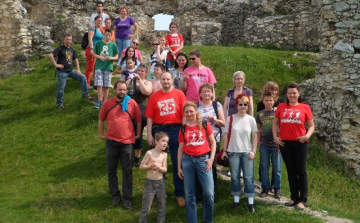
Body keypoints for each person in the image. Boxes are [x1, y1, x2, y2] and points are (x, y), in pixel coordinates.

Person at [145, 72, 187, 207]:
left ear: (172, 80)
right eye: (163, 79)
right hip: (160, 129)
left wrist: (184, 130)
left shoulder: (179, 94)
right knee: (157, 162)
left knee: (177, 162)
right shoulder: (154, 96)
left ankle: (179, 193)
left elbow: (184, 114)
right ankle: (159, 193)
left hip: (176, 129)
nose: (166, 81)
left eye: (168, 79)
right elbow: (150, 117)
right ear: (160, 81)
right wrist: (150, 135)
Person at [98, 80, 142, 209]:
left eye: (124, 90)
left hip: (127, 142)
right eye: (120, 89)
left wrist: (138, 135)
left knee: (127, 171)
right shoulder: (107, 104)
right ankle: (115, 195)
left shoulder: (132, 103)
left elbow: (138, 120)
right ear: (114, 90)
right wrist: (101, 134)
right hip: (111, 141)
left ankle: (127, 197)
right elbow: (101, 119)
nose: (122, 92)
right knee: (111, 170)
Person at [272, 83, 315, 210]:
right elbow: (275, 124)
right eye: (289, 93)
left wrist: (307, 136)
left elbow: (311, 125)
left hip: (300, 142)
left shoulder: (305, 107)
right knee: (291, 171)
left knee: (301, 171)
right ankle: (294, 197)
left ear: (298, 94)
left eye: (294, 93)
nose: (292, 95)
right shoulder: (281, 106)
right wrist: (275, 137)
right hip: (285, 143)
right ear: (286, 94)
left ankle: (303, 199)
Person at [177, 101, 216, 223]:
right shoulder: (183, 128)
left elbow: (213, 142)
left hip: (203, 160)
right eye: (187, 112)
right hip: (187, 161)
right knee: (189, 195)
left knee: (209, 193)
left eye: (191, 111)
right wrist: (179, 167)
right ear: (184, 113)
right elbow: (180, 148)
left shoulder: (204, 125)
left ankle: (208, 220)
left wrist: (211, 159)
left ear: (196, 112)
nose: (189, 114)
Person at [221, 93, 258, 213]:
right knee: (235, 178)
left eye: (245, 104)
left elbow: (254, 136)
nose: (243, 106)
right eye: (240, 104)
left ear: (248, 106)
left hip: (247, 152)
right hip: (233, 152)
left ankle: (250, 203)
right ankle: (236, 200)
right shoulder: (230, 118)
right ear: (236, 105)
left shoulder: (251, 119)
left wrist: (253, 150)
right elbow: (226, 135)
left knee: (248, 177)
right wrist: (224, 151)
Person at [195, 83, 225, 205]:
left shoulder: (216, 105)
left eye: (209, 91)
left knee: (211, 166)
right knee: (199, 167)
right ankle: (199, 195)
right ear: (200, 94)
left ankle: (211, 193)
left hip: (214, 140)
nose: (207, 94)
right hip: (199, 141)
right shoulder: (196, 105)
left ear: (212, 93)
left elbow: (223, 123)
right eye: (204, 91)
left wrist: (214, 120)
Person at [48, 34, 91, 110]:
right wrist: (56, 64)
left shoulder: (72, 49)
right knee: (61, 88)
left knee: (83, 77)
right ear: (64, 40)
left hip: (71, 71)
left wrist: (78, 69)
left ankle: (85, 95)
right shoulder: (60, 48)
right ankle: (60, 104)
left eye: (70, 39)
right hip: (62, 72)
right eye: (67, 39)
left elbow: (76, 59)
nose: (69, 41)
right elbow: (51, 55)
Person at [256, 81, 284, 191]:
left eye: (270, 100)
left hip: (276, 142)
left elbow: (282, 127)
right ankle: (265, 187)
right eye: (266, 100)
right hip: (264, 142)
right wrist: (258, 141)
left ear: (274, 100)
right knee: (264, 166)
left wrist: (280, 141)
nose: (269, 102)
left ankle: (277, 188)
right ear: (263, 101)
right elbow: (258, 127)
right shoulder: (260, 112)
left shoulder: (279, 110)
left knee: (277, 168)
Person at [126, 64, 153, 167]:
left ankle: (137, 156)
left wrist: (140, 80)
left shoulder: (148, 82)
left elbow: (146, 92)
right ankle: (127, 154)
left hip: (142, 111)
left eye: (142, 71)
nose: (140, 72)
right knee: (128, 133)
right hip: (129, 111)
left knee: (138, 133)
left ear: (146, 73)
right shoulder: (129, 81)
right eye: (139, 70)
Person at [139, 131, 168, 223]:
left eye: (167, 142)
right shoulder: (149, 153)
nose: (165, 143)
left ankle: (161, 221)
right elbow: (141, 166)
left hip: (161, 183)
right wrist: (150, 166)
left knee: (162, 206)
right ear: (156, 142)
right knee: (146, 207)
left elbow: (165, 169)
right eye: (163, 141)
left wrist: (159, 168)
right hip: (150, 183)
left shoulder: (164, 154)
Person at [91, 28, 119, 109]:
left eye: (110, 35)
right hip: (99, 66)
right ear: (104, 35)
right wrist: (99, 57)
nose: (108, 37)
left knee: (106, 85)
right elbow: (93, 53)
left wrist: (111, 58)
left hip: (108, 67)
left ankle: (105, 102)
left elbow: (116, 56)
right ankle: (99, 101)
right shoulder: (99, 43)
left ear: (111, 36)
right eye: (106, 35)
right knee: (99, 84)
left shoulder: (113, 44)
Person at [85, 16, 104, 86]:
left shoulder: (101, 30)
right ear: (95, 21)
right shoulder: (92, 28)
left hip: (98, 51)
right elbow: (90, 38)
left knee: (97, 67)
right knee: (91, 66)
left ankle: (96, 82)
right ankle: (86, 83)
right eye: (98, 20)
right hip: (92, 49)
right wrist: (92, 49)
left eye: (101, 20)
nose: (99, 22)